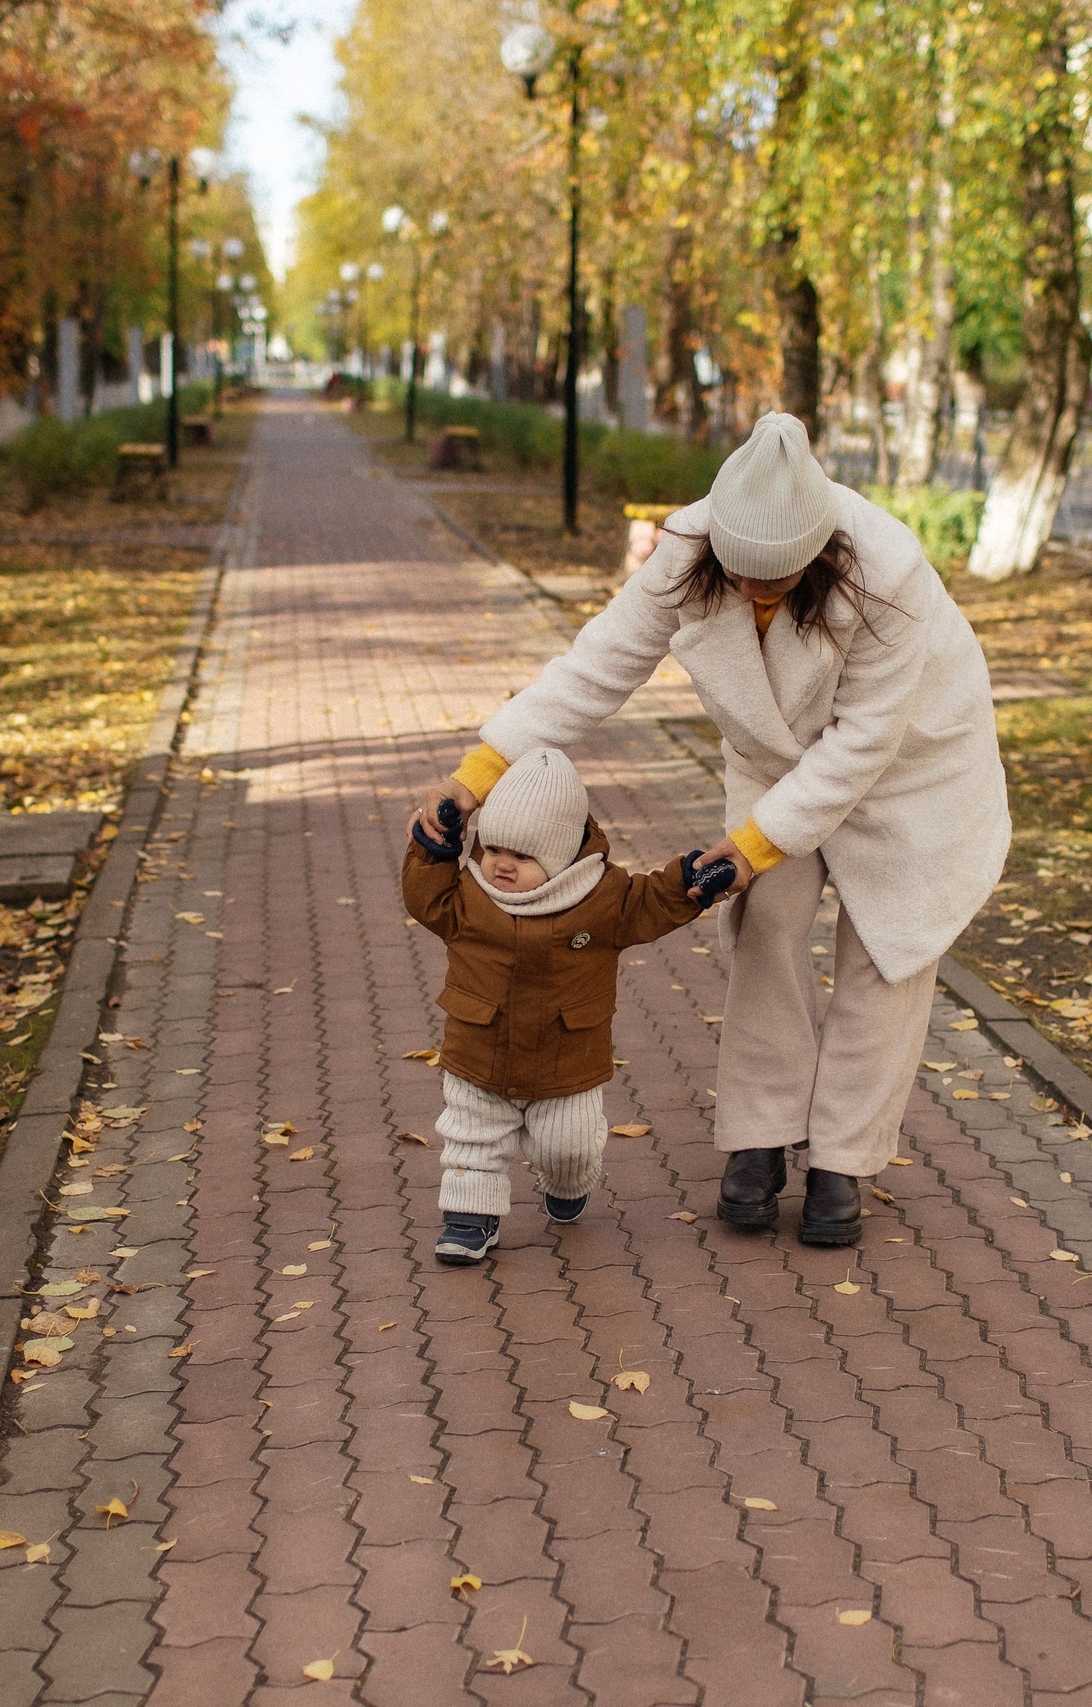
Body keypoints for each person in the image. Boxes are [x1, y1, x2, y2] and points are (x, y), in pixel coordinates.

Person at [408, 413, 1008, 1247]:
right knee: (762, 923)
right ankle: (761, 1136)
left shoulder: (888, 573)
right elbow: (596, 667)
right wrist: (477, 774)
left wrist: (756, 844)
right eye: (742, 575)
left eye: (778, 578)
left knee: (886, 956)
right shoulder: (686, 552)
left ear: (819, 550)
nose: (757, 592)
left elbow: (863, 743)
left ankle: (840, 1157)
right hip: (775, 757)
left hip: (912, 768)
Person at [402, 747, 735, 1265]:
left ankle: (568, 1180)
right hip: (478, 1048)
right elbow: (426, 898)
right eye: (493, 848)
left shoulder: (603, 898)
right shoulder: (466, 895)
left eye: (523, 855)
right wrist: (432, 849)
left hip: (567, 1058)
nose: (501, 864)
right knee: (472, 1138)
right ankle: (469, 1218)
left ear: (560, 857)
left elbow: (652, 901)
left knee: (568, 1145)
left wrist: (691, 880)